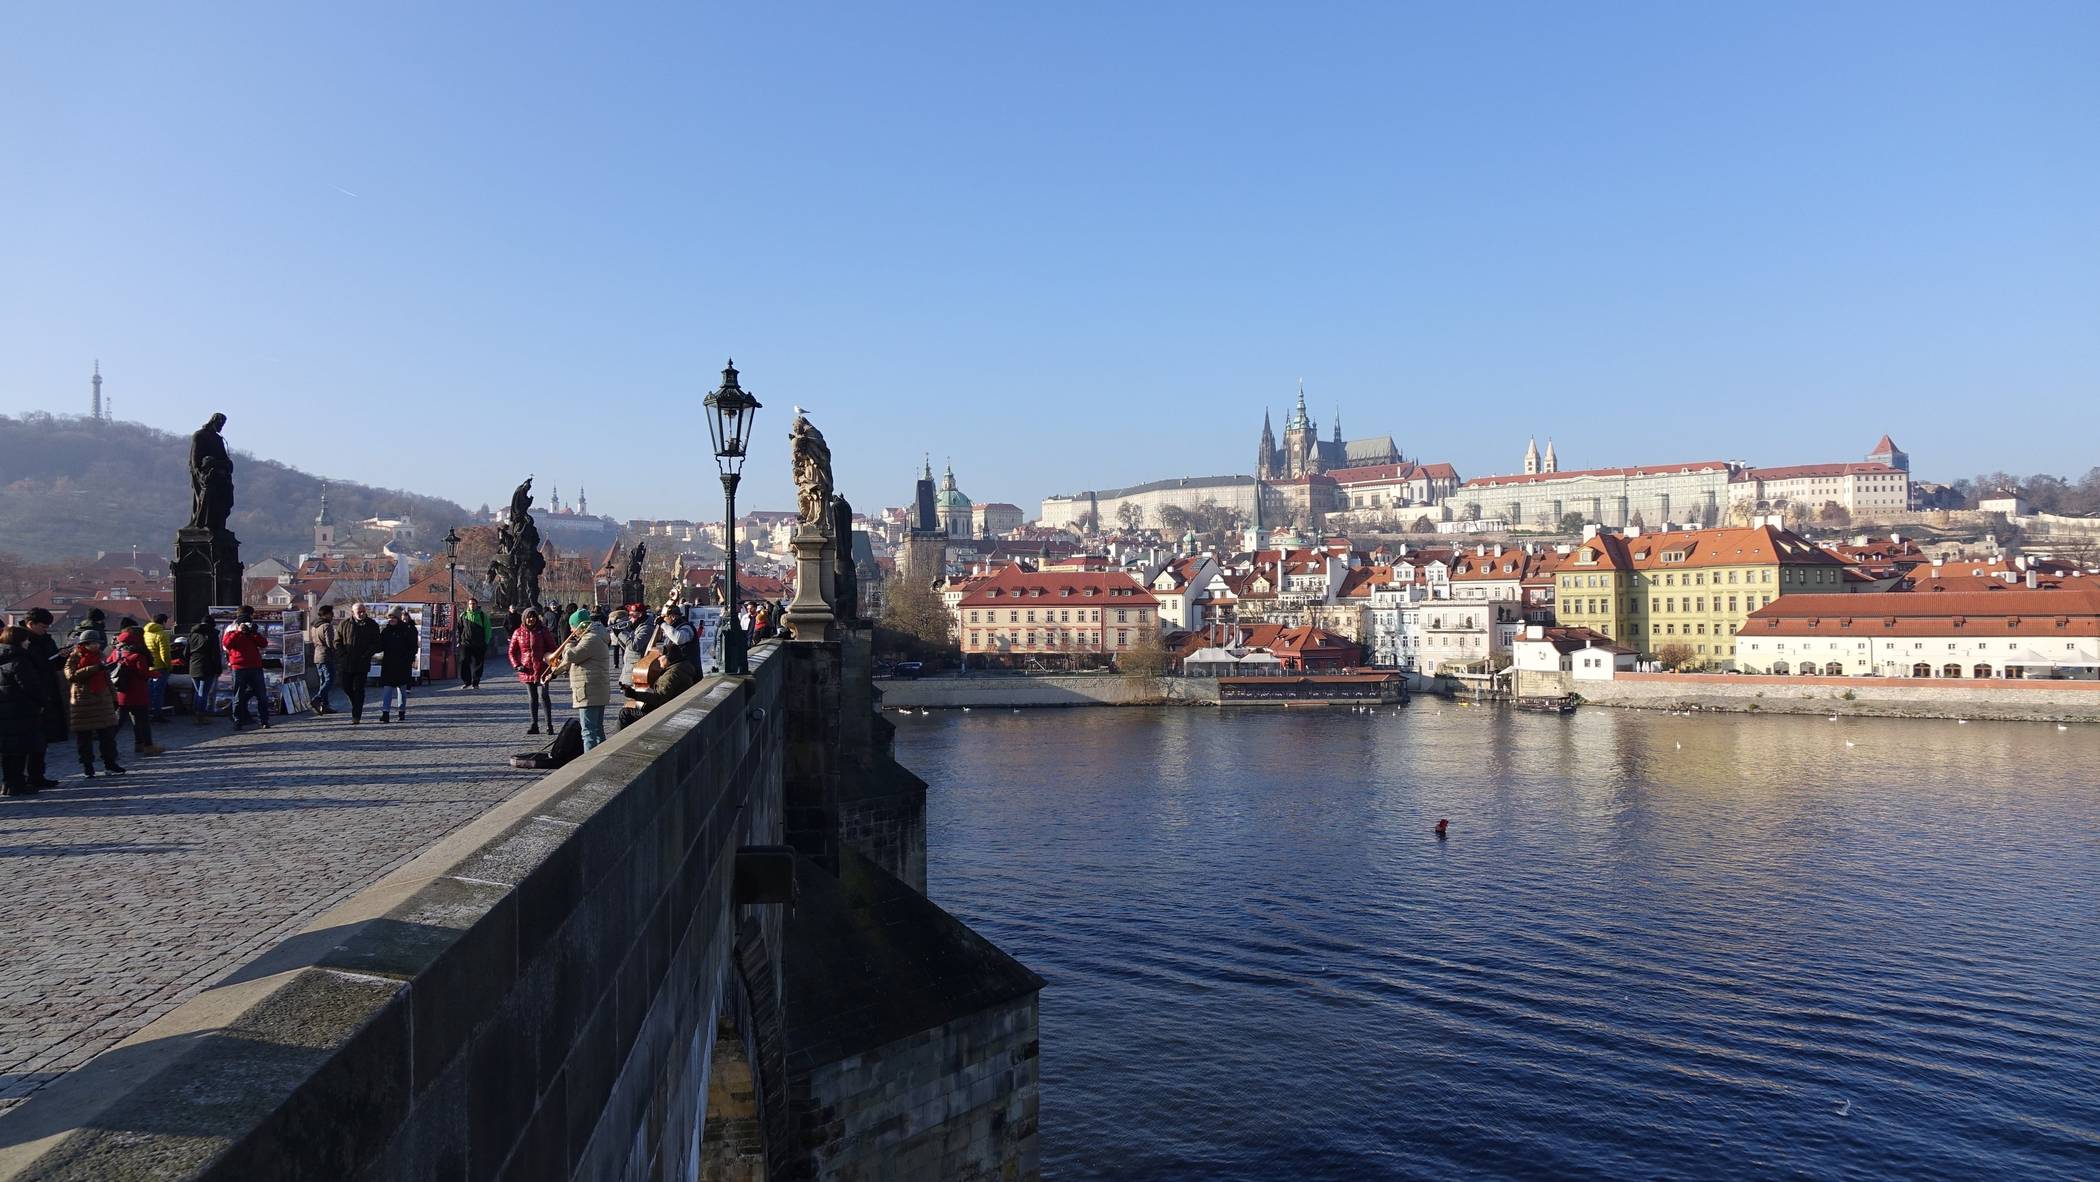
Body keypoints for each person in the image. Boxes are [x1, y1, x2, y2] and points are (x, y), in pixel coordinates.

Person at [548, 608, 612, 750]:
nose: (572, 632)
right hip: (596, 690)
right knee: (597, 730)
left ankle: (591, 764)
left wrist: (568, 645)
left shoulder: (590, 639)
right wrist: (554, 673)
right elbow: (571, 661)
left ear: (579, 625)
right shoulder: (597, 636)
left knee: (588, 732)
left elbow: (572, 656)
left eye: (572, 628)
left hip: (588, 691)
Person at [1, 625, 50, 797]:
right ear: (20, 641)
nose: (28, 642)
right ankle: (17, 784)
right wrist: (43, 702)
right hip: (22, 710)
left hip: (5, 710)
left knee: (8, 751)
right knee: (20, 749)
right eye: (26, 639)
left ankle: (8, 784)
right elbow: (30, 686)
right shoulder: (20, 660)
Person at [64, 637, 124, 777]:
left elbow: (107, 679)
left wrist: (114, 698)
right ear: (84, 644)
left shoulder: (101, 656)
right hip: (83, 702)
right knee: (84, 737)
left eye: (98, 643)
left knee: (108, 736)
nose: (97, 645)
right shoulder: (74, 657)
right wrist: (94, 668)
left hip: (102, 700)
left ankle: (110, 763)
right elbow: (71, 676)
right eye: (93, 643)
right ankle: (87, 765)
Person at [21, 609, 65, 787]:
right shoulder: (23, 640)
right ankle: (30, 776)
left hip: (48, 690)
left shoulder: (46, 639)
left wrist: (61, 657)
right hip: (33, 694)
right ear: (30, 623)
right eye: (43, 626)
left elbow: (53, 665)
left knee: (43, 738)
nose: (46, 630)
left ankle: (38, 774)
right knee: (32, 739)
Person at [110, 625, 166, 756]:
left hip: (121, 692)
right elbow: (143, 673)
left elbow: (109, 664)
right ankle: (147, 745)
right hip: (137, 692)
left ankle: (108, 743)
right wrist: (155, 674)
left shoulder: (117, 652)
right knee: (143, 721)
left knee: (120, 720)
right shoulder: (138, 655)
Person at [508, 608, 557, 735]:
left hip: (542, 669)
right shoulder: (518, 632)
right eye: (529, 617)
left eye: (533, 617)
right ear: (524, 618)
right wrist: (517, 665)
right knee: (532, 698)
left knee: (544, 696)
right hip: (527, 669)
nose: (531, 619)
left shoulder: (543, 631)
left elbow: (553, 649)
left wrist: (552, 665)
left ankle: (548, 725)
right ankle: (534, 724)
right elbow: (511, 651)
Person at [627, 640, 700, 716]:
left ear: (668, 658)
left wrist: (635, 694)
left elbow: (659, 699)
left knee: (625, 713)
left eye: (660, 656)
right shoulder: (682, 667)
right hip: (674, 706)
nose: (658, 659)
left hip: (667, 712)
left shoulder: (672, 674)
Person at [336, 603, 381, 724]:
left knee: (359, 689)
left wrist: (367, 654)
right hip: (347, 662)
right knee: (346, 687)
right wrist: (342, 654)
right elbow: (337, 641)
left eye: (363, 611)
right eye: (359, 612)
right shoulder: (344, 624)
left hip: (362, 662)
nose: (361, 614)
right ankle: (355, 703)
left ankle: (356, 715)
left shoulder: (372, 625)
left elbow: (377, 644)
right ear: (352, 612)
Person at [223, 616, 271, 730]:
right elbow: (227, 644)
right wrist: (238, 632)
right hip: (239, 668)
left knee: (262, 696)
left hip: (255, 667)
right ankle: (237, 721)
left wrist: (253, 633)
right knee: (238, 696)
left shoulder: (252, 634)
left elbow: (264, 643)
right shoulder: (232, 633)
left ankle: (264, 720)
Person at [377, 607, 419, 722]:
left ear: (398, 618)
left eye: (394, 617)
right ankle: (385, 713)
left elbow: (413, 647)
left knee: (402, 689)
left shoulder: (407, 630)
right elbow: (381, 646)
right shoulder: (386, 630)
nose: (391, 619)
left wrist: (408, 659)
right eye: (390, 617)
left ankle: (401, 711)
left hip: (403, 664)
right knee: (387, 689)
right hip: (389, 663)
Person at [185, 614, 223, 724]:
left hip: (193, 665)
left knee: (198, 692)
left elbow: (186, 652)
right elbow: (215, 654)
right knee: (204, 692)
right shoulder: (212, 634)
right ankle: (200, 715)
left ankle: (196, 713)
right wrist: (218, 668)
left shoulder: (192, 634)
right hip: (207, 666)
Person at [308, 605, 341, 715]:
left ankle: (325, 705)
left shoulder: (314, 626)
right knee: (329, 679)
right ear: (326, 614)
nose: (333, 616)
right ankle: (317, 699)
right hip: (326, 656)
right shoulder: (327, 626)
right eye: (331, 614)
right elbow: (330, 643)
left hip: (316, 655)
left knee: (323, 680)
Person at [143, 613, 176, 722]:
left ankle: (147, 712)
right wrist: (169, 666)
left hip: (149, 666)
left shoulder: (146, 633)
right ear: (163, 622)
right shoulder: (162, 634)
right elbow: (165, 653)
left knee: (149, 690)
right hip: (160, 666)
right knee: (159, 691)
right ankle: (158, 714)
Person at [457, 596, 490, 689]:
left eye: (473, 604)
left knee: (478, 663)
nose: (472, 605)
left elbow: (487, 629)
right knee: (464, 660)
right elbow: (459, 629)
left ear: (477, 605)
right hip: (466, 643)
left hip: (479, 643)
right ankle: (466, 681)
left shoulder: (483, 616)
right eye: (470, 604)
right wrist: (459, 640)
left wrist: (486, 641)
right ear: (468, 605)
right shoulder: (463, 615)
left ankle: (475, 682)